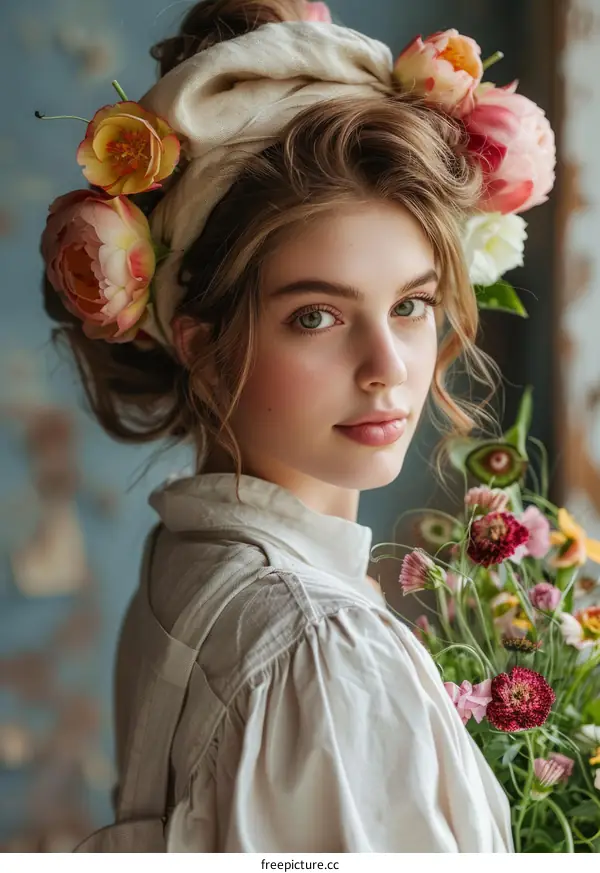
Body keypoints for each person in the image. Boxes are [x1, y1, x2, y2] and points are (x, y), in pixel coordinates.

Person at [38, 0, 534, 852]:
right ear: (203, 344)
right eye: (317, 316)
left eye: (411, 305)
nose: (390, 365)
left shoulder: (183, 566)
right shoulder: (318, 648)